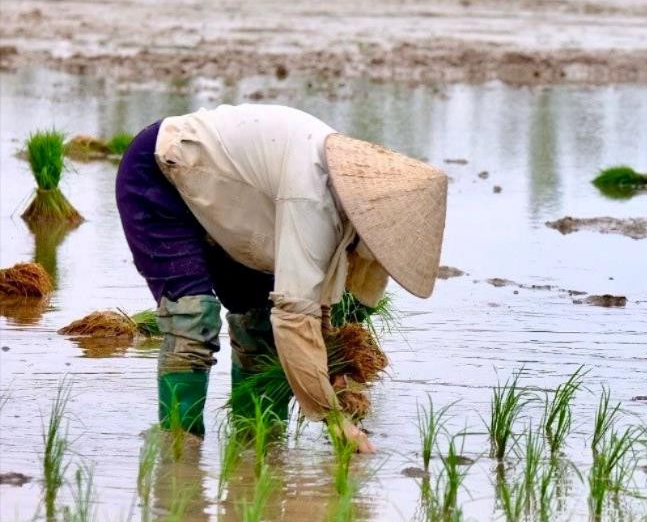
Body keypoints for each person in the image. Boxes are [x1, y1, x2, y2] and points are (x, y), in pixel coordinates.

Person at [115, 103, 449, 451]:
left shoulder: (356, 213)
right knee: (192, 317)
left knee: (259, 328)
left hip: (242, 209)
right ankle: (179, 451)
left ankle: (258, 446)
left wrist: (337, 365)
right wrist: (334, 420)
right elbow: (294, 318)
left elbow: (325, 307)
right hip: (162, 174)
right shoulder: (312, 196)